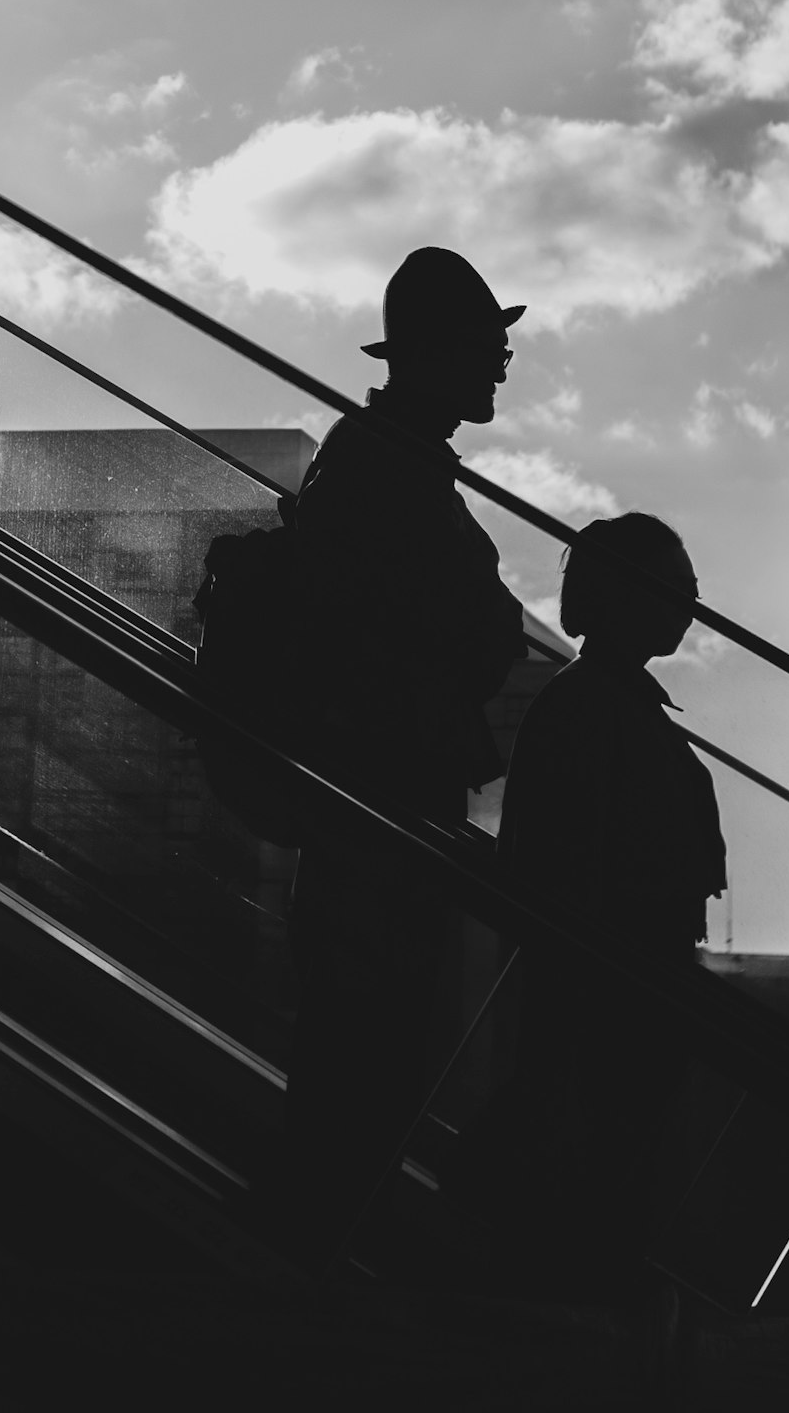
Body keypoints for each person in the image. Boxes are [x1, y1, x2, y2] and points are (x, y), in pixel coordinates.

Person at [274, 245, 529, 1246]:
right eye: (488, 347)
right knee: (366, 1055)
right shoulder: (389, 468)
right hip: (375, 811)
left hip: (372, 809)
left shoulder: (380, 459)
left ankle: (312, 1256)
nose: (501, 367)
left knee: (361, 1055)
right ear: (434, 352)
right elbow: (428, 625)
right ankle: (309, 1269)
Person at [494, 512, 725, 1340]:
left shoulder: (596, 705)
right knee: (603, 1198)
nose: (689, 606)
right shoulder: (598, 710)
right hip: (612, 1006)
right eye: (673, 588)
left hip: (615, 1004)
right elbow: (572, 878)